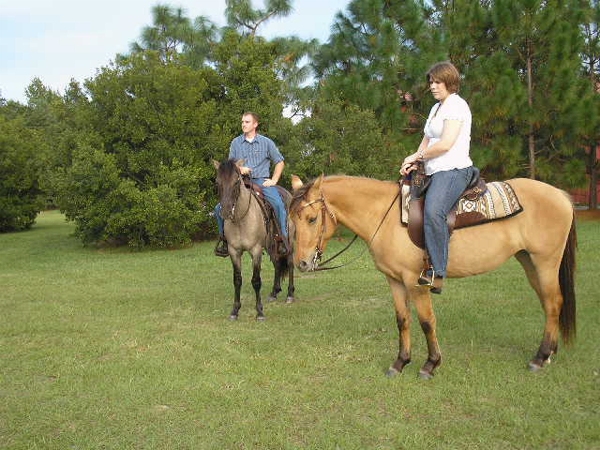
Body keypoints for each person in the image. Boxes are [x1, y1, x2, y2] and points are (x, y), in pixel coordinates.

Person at [400, 61, 474, 294]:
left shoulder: (456, 106)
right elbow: (427, 140)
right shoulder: (436, 108)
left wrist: (418, 156)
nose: (433, 86)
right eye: (431, 82)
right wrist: (411, 160)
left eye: (438, 82)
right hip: (432, 169)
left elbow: (445, 144)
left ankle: (437, 271)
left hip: (453, 170)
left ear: (450, 82)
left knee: (433, 211)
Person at [214, 111, 289, 257]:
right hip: (241, 182)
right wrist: (240, 169)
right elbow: (230, 167)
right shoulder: (236, 142)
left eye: (247, 122)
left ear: (255, 124)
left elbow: (279, 162)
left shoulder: (266, 142)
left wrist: (274, 180)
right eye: (242, 122)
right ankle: (224, 240)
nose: (243, 124)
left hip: (262, 181)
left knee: (278, 204)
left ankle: (282, 239)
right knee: (218, 209)